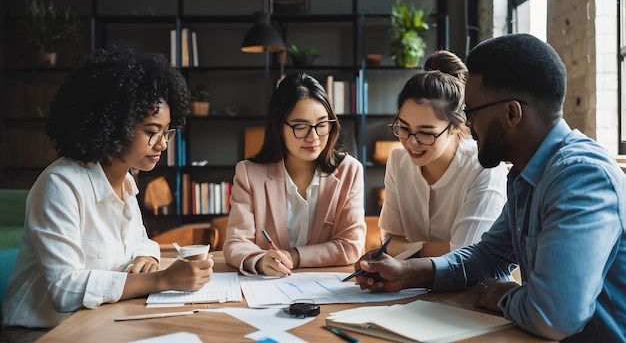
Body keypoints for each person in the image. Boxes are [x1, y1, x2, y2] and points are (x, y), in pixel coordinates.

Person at [352, 33, 626, 342]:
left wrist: (499, 295)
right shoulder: (528, 173)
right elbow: (490, 255)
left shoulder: (581, 177)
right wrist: (408, 274)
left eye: (472, 111)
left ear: (512, 113)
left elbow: (554, 317)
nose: (467, 125)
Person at [1, 48, 214, 341]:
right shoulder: (61, 185)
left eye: (167, 132)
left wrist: (146, 256)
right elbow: (64, 289)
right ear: (114, 125)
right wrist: (161, 279)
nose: (162, 145)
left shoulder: (125, 180)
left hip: (101, 320)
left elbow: (141, 240)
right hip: (40, 331)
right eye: (152, 131)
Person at [223, 72, 366, 277]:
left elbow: (351, 246)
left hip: (327, 289)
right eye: (301, 127)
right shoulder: (249, 173)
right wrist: (261, 260)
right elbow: (236, 243)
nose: (313, 137)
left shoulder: (349, 171)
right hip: (268, 288)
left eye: (322, 124)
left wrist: (294, 256)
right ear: (278, 127)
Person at [380, 50, 508, 258]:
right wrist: (437, 249)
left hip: (477, 286)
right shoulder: (398, 161)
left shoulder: (483, 167)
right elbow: (389, 238)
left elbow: (465, 254)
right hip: (412, 284)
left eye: (426, 133)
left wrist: (406, 251)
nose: (411, 142)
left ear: (457, 126)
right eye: (404, 128)